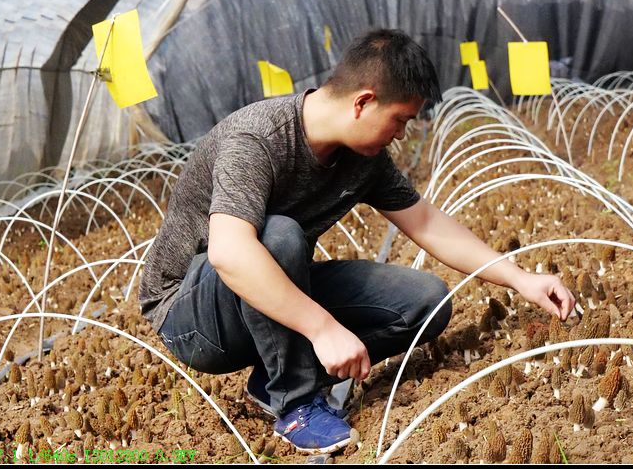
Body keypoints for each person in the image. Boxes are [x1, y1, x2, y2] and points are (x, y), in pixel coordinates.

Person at [138, 28, 576, 455]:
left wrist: (520, 279)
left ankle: (271, 382)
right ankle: (295, 404)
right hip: (192, 316)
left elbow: (425, 221)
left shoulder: (364, 159)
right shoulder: (257, 139)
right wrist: (322, 329)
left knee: (425, 302)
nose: (401, 134)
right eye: (400, 119)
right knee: (277, 234)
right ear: (363, 102)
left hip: (266, 290)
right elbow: (230, 253)